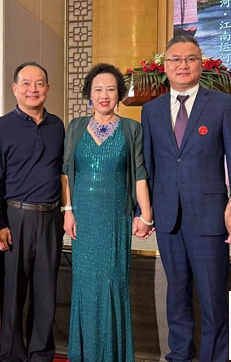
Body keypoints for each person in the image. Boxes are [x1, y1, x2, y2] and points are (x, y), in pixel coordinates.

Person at [141, 35, 231, 362]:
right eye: (176, 59)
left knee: (213, 297)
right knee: (176, 295)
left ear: (201, 64)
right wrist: (143, 212)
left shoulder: (222, 104)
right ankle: (179, 355)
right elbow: (147, 166)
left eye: (190, 59)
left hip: (209, 217)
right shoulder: (151, 110)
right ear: (165, 66)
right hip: (168, 218)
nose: (183, 65)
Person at [61, 63, 154, 361]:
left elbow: (139, 174)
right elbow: (66, 173)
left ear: (119, 94)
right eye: (98, 89)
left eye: (111, 89)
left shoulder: (131, 128)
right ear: (89, 94)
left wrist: (146, 214)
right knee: (85, 285)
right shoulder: (75, 127)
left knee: (114, 281)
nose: (104, 95)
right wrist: (68, 210)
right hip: (84, 218)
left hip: (115, 217)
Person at [0, 62, 64, 362]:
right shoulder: (1, 127)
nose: (33, 89)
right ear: (15, 88)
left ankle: (41, 354)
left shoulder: (57, 126)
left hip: (51, 218)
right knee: (13, 294)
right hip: (15, 219)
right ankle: (12, 355)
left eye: (40, 83)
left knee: (46, 294)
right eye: (26, 83)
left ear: (47, 88)